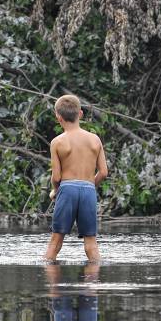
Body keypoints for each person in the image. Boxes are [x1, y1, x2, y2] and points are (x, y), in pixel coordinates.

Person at [43, 95, 108, 262]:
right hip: (88, 191)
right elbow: (103, 172)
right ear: (80, 113)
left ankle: (51, 286)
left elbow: (56, 177)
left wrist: (56, 191)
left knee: (55, 242)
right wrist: (88, 186)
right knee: (91, 244)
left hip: (67, 190)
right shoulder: (95, 139)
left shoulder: (57, 142)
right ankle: (94, 285)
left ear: (58, 117)